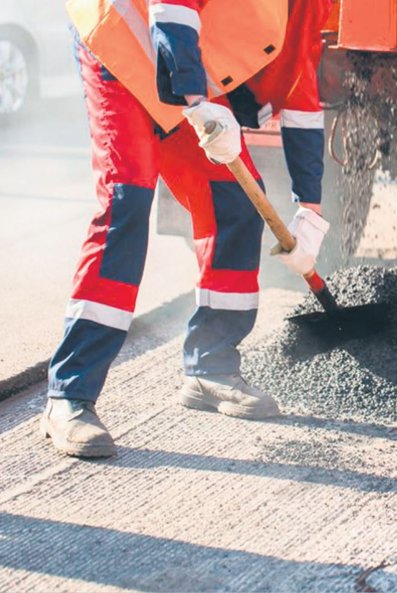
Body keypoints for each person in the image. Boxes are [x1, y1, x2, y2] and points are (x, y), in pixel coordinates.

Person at [41, 0, 333, 458]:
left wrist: (309, 211)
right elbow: (172, 11)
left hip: (181, 63)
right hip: (121, 39)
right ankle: (69, 396)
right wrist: (198, 104)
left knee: (236, 201)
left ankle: (210, 366)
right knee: (127, 202)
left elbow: (302, 97)